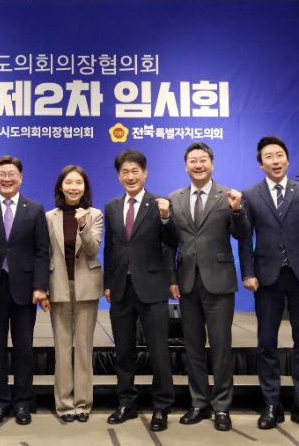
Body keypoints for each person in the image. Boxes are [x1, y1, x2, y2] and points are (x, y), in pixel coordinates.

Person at [239, 136, 299, 433]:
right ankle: (272, 404)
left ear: (288, 160)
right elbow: (244, 237)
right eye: (268, 157)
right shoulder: (250, 195)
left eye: (279, 155)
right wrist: (247, 272)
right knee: (266, 343)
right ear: (261, 164)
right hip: (267, 276)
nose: (275, 160)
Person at [164, 142, 250, 431]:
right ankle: (198, 403)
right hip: (187, 282)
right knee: (193, 347)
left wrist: (236, 211)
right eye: (193, 160)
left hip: (219, 281)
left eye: (203, 160)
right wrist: (171, 279)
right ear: (185, 166)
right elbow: (169, 244)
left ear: (212, 164)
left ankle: (222, 407)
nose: (198, 165)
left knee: (221, 347)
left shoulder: (228, 195)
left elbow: (242, 234)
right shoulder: (174, 198)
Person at [103, 149, 179, 432]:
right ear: (119, 176)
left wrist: (166, 218)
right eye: (125, 172)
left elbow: (172, 241)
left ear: (145, 173)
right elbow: (110, 248)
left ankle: (162, 406)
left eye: (135, 171)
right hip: (121, 289)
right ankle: (126, 402)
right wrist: (108, 283)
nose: (130, 176)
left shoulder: (159, 204)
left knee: (159, 351)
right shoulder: (112, 206)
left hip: (152, 287)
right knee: (123, 351)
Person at [0, 155, 50, 426]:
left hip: (25, 289)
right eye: (1, 174)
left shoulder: (35, 208)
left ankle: (22, 403)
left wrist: (41, 286)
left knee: (23, 349)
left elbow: (42, 251)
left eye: (11, 174)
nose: (6, 179)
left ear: (21, 177)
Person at [46, 165, 103, 423]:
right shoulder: (49, 217)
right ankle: (64, 405)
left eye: (78, 183)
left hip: (87, 288)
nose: (73, 187)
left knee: (83, 348)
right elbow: (44, 254)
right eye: (68, 182)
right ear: (60, 186)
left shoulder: (95, 215)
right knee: (62, 349)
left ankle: (82, 404)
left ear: (85, 187)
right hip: (58, 286)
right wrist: (43, 290)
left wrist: (83, 226)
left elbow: (92, 249)